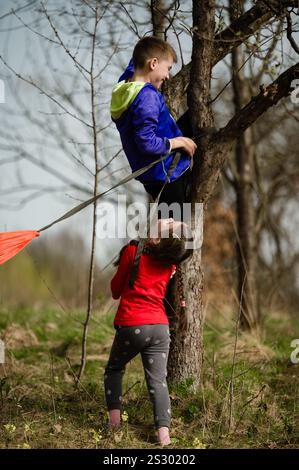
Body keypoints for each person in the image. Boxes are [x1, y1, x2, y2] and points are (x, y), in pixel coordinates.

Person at [104, 218, 193, 446]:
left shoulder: (134, 251)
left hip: (133, 325)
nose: (168, 218)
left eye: (169, 223)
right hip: (160, 329)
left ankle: (114, 424)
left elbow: (115, 291)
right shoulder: (170, 263)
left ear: (157, 237)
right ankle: (164, 435)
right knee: (158, 382)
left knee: (114, 369)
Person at [110, 36, 197, 216]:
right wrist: (178, 142)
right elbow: (146, 142)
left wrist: (149, 45)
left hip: (154, 172)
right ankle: (152, 239)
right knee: (176, 227)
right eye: (168, 68)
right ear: (153, 63)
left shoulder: (124, 85)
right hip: (165, 172)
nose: (167, 76)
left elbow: (137, 60)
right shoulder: (146, 97)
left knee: (197, 118)